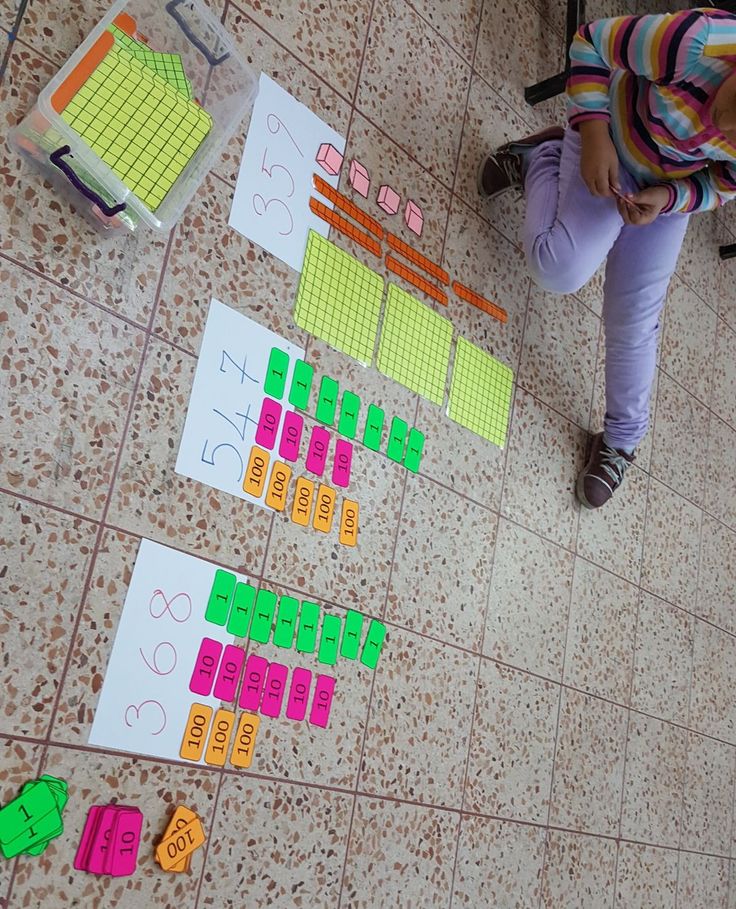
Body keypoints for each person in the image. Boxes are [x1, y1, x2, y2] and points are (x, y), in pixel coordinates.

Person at [479, 7, 736, 508]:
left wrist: (668, 199)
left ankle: (622, 439)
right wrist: (593, 133)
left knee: (635, 318)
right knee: (557, 266)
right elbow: (588, 45)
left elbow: (721, 185)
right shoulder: (699, 42)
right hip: (609, 137)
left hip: (663, 191)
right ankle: (544, 157)